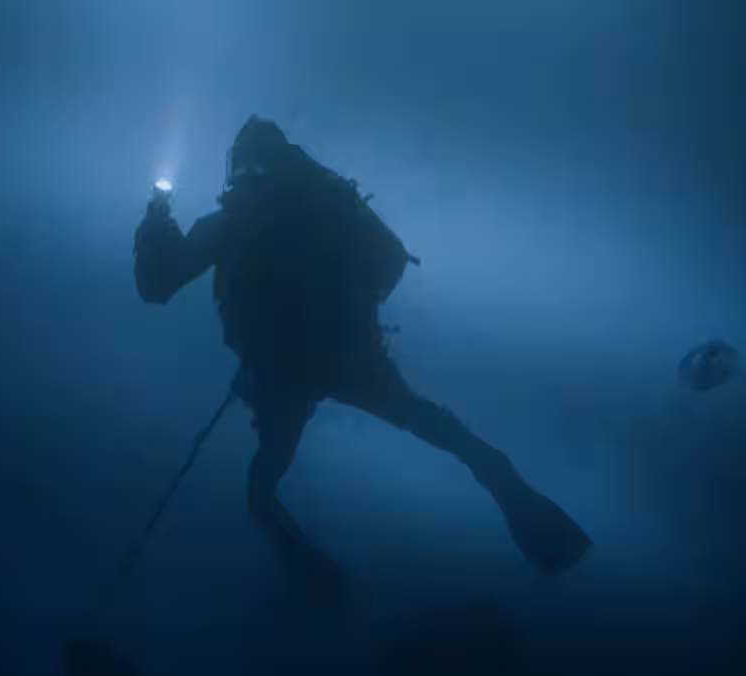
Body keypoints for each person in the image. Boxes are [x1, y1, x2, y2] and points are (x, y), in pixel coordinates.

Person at [133, 116, 592, 599]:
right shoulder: (333, 207)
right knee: (430, 424)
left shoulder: (229, 224)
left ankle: (322, 594)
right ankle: (531, 515)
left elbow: (156, 286)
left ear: (236, 169)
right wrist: (350, 310)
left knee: (261, 490)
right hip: (345, 354)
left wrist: (157, 215)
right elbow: (391, 259)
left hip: (279, 372)